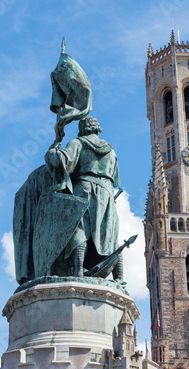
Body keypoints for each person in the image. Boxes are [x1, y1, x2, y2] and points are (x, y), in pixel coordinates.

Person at [45, 116, 122, 279]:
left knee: (79, 230)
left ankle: (79, 271)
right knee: (110, 235)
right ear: (97, 129)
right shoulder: (111, 150)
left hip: (84, 189)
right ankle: (119, 279)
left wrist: (52, 152)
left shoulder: (77, 143)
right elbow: (114, 178)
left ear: (82, 129)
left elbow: (62, 162)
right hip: (107, 195)